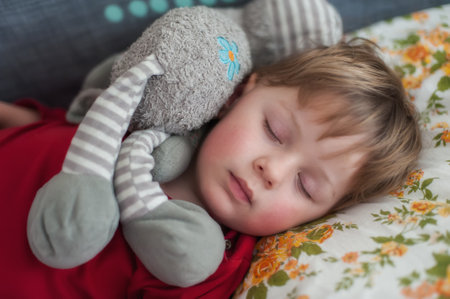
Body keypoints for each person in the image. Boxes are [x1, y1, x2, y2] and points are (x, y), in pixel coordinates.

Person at [0, 39, 421, 298]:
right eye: (274, 132)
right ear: (240, 94)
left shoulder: (204, 263)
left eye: (306, 187)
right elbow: (64, 128)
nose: (271, 171)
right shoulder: (155, 119)